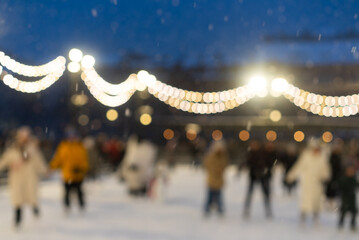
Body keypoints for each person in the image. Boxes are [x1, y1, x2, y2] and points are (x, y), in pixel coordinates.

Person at [0, 127, 47, 228]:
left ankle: (36, 214)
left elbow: (39, 161)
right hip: (17, 177)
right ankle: (17, 220)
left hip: (30, 177)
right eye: (22, 136)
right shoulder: (13, 149)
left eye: (26, 136)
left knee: (32, 197)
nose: (24, 138)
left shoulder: (32, 149)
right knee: (18, 199)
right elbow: (5, 160)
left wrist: (44, 170)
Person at [287, 138, 331, 225]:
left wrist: (325, 176)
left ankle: (316, 218)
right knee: (305, 202)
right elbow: (299, 166)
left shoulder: (322, 157)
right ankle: (303, 218)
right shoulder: (306, 156)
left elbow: (325, 169)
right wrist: (291, 175)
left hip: (317, 184)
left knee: (316, 202)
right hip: (307, 183)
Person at [50, 128, 89, 212]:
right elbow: (58, 159)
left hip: (78, 175)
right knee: (67, 192)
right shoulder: (63, 147)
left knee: (79, 191)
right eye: (70, 136)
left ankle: (81, 206)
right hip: (67, 174)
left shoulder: (80, 147)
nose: (71, 138)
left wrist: (82, 168)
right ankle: (67, 207)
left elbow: (84, 160)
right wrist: (51, 167)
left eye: (73, 136)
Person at [243, 140, 276, 218]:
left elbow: (270, 163)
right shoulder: (251, 154)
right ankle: (246, 210)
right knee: (250, 194)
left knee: (266, 195)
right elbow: (248, 163)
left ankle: (268, 211)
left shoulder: (265, 153)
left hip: (264, 177)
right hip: (253, 176)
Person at [203, 141, 228, 217]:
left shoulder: (223, 156)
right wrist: (216, 169)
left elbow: (224, 165)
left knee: (219, 197)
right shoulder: (211, 156)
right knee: (209, 196)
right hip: (212, 179)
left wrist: (220, 169)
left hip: (219, 180)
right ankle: (207, 210)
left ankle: (219, 210)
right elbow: (207, 165)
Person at [338, 165, 357, 231]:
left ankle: (353, 224)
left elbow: (356, 186)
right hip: (345, 198)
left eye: (352, 171)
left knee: (354, 212)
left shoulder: (354, 179)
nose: (350, 172)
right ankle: (341, 224)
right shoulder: (343, 179)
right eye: (349, 171)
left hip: (352, 197)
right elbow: (340, 186)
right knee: (343, 212)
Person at [325, 140, 343, 208]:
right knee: (330, 191)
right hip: (332, 176)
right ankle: (329, 204)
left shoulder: (340, 156)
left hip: (338, 177)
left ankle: (334, 204)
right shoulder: (331, 157)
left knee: (336, 191)